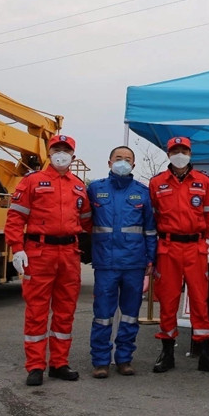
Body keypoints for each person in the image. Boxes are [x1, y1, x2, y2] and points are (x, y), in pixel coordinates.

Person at [6, 135, 92, 386]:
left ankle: (59, 363)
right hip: (39, 252)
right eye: (57, 149)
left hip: (69, 255)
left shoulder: (78, 185)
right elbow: (15, 218)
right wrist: (17, 248)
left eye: (66, 150)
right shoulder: (32, 181)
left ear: (73, 156)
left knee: (65, 312)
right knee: (37, 312)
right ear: (49, 153)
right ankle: (35, 366)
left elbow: (87, 221)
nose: (61, 153)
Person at [148, 136, 209, 375]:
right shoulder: (156, 183)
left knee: (200, 302)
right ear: (168, 154)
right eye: (175, 150)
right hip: (168, 248)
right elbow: (152, 217)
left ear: (190, 153)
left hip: (195, 247)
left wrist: (198, 238)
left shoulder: (204, 182)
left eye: (183, 150)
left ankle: (205, 353)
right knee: (168, 301)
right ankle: (167, 352)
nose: (179, 154)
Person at [87, 146, 157, 379]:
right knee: (102, 315)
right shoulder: (95, 190)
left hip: (134, 264)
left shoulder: (142, 193)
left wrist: (151, 258)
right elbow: (84, 224)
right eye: (118, 158)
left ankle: (124, 359)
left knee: (129, 314)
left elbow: (150, 229)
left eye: (128, 159)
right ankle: (100, 361)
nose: (123, 162)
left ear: (134, 166)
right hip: (105, 263)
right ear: (109, 162)